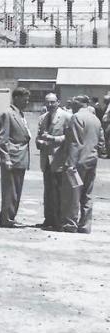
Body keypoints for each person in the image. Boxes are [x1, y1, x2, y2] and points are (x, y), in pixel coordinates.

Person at [35, 92, 73, 231]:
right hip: (46, 160)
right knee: (48, 191)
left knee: (58, 191)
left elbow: (70, 137)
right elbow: (38, 136)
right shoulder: (43, 118)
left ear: (58, 102)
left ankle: (59, 221)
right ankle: (49, 218)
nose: (50, 105)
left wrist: (52, 139)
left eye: (52, 102)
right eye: (47, 102)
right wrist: (39, 142)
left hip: (59, 159)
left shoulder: (66, 117)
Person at [67, 95, 104, 233]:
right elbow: (101, 143)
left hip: (79, 161)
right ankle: (85, 225)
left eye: (73, 104)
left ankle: (71, 223)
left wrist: (71, 163)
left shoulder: (76, 117)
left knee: (74, 192)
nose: (71, 106)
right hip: (92, 160)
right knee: (88, 193)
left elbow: (75, 142)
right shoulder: (95, 119)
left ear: (78, 104)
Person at [0, 87, 31, 228]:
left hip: (21, 156)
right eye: (25, 99)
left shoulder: (20, 114)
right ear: (16, 98)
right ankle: (7, 219)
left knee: (16, 190)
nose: (27, 102)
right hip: (13, 157)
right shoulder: (7, 114)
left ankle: (8, 217)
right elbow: (2, 139)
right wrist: (6, 158)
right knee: (10, 190)